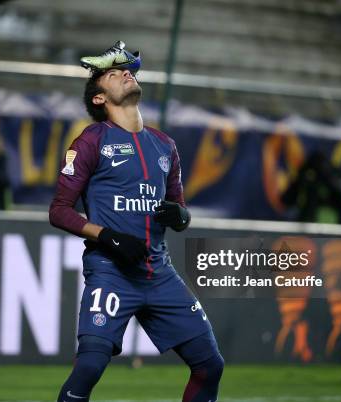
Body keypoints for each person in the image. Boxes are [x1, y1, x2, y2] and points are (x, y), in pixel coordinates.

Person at [49, 41, 224, 402]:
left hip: (158, 273)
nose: (126, 74)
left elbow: (179, 211)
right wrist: (107, 236)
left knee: (210, 366)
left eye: (127, 71)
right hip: (111, 272)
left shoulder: (165, 146)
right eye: (114, 74)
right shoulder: (90, 142)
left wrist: (181, 216)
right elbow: (59, 210)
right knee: (90, 367)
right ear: (99, 99)